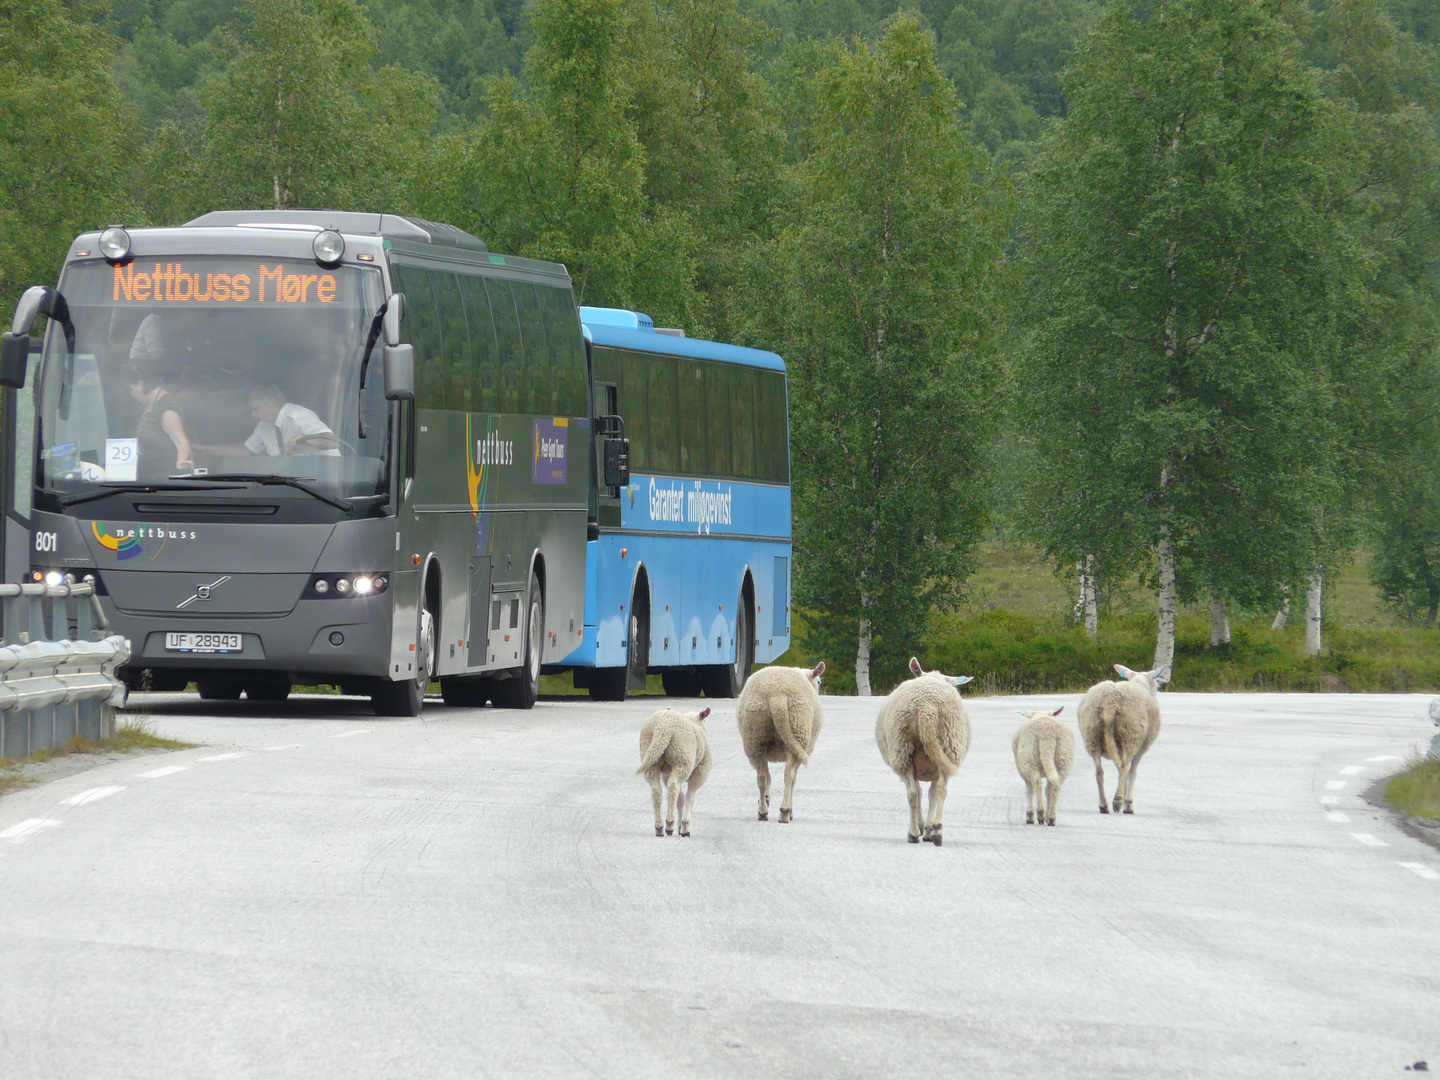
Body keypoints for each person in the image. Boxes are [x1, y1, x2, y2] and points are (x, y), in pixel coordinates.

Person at [195, 383, 340, 460]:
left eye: (256, 409)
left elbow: (333, 442)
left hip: (322, 487)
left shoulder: (298, 415)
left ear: (270, 404)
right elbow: (246, 450)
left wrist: (304, 439)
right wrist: (205, 449)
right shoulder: (265, 425)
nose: (253, 414)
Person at [122, 365, 194, 477]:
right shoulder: (150, 404)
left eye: (131, 389)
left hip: (162, 479)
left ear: (141, 385)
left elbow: (181, 441)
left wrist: (181, 462)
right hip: (149, 475)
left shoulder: (167, 411)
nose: (131, 394)